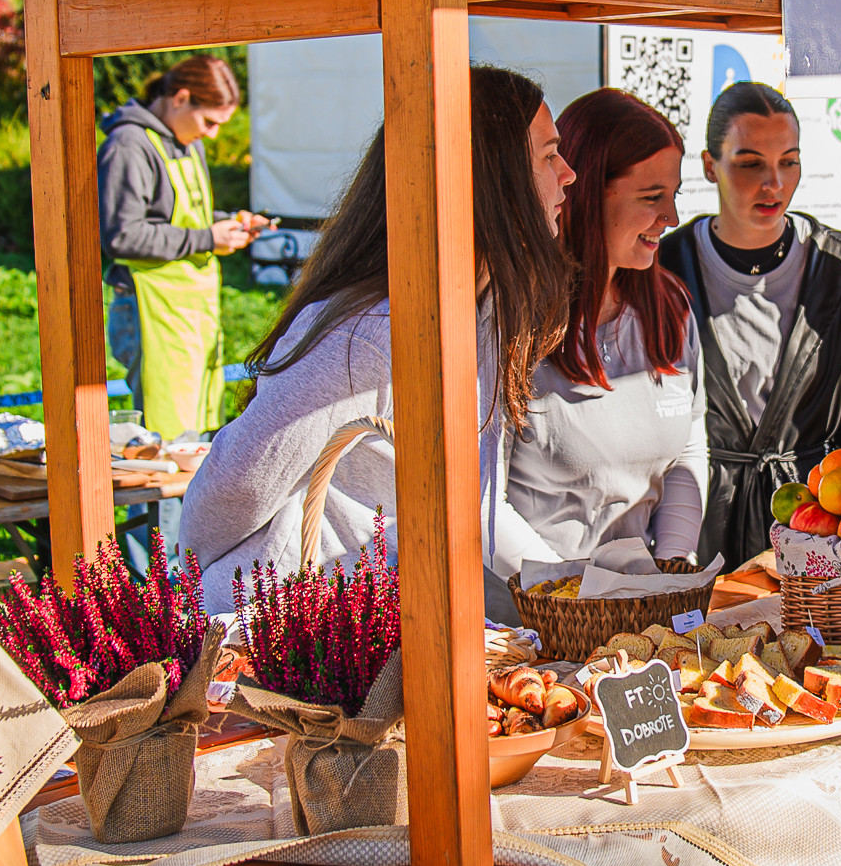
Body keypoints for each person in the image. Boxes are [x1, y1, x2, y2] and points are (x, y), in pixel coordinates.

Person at [179, 66, 575, 612]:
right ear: (493, 175)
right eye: (550, 155)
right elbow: (229, 494)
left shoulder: (478, 313)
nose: (569, 174)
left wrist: (576, 589)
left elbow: (473, 506)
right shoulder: (367, 334)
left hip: (375, 633)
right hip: (287, 646)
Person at [664, 80, 841, 568]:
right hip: (692, 524)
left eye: (789, 161)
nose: (774, 184)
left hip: (814, 529)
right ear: (708, 165)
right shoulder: (666, 267)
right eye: (750, 164)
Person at [504, 88, 711, 570]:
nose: (672, 218)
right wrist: (568, 595)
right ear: (588, 192)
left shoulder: (670, 305)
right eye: (651, 197)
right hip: (529, 625)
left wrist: (674, 562)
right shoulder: (513, 321)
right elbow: (480, 499)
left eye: (673, 196)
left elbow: (686, 451)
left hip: (634, 616)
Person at [98, 55, 266, 444]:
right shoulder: (128, 144)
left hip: (191, 312)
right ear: (180, 98)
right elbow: (122, 235)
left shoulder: (187, 142)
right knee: (160, 445)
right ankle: (154, 509)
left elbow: (181, 218)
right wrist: (209, 238)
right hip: (147, 312)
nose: (212, 134)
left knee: (194, 436)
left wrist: (228, 222)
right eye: (209, 122)